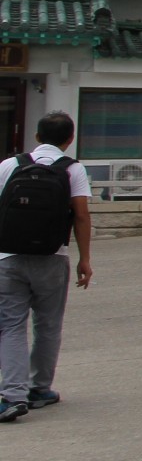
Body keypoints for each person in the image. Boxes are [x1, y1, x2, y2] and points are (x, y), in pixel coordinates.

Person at [0, 111, 93, 422]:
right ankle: (39, 388)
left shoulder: (9, 165)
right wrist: (85, 259)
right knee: (48, 324)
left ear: (36, 137)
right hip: (53, 258)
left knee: (11, 325)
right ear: (70, 139)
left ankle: (12, 394)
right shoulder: (72, 170)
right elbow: (81, 215)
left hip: (7, 258)